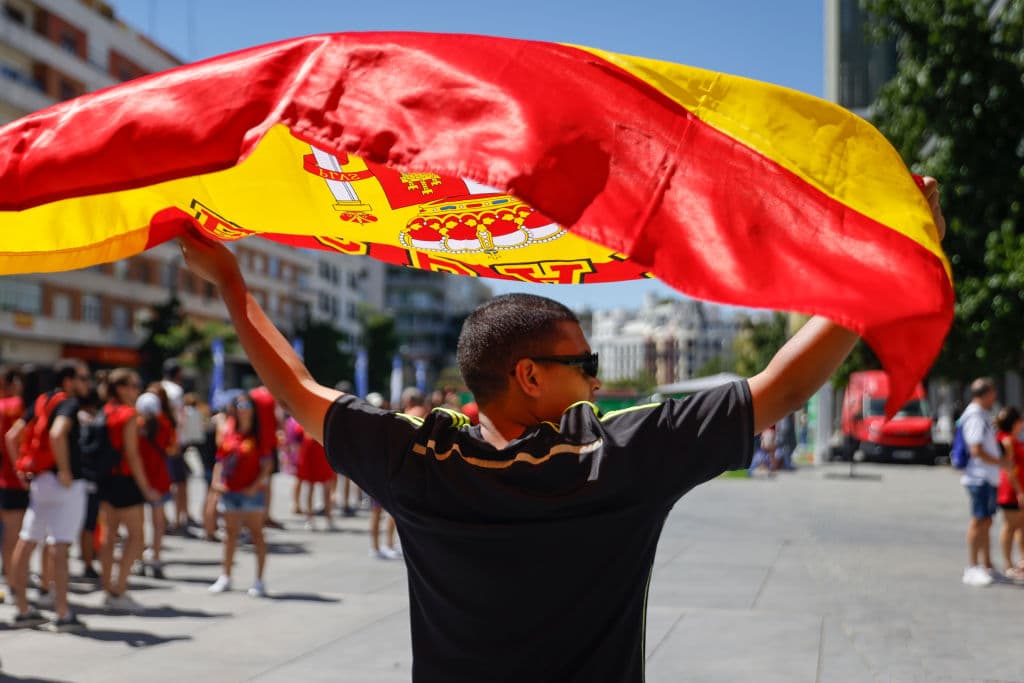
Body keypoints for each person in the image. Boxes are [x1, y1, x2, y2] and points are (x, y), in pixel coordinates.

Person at [179, 178, 945, 683]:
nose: (598, 376)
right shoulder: (619, 457)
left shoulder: (417, 458)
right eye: (582, 361)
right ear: (530, 377)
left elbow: (297, 388)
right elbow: (783, 383)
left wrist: (232, 283)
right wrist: (875, 265)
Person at [8, 360, 91, 632]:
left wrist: (20, 468)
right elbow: (57, 434)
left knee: (27, 541)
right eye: (82, 377)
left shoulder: (42, 401)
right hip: (63, 483)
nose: (86, 383)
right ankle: (63, 612)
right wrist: (65, 470)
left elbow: (12, 437)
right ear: (68, 380)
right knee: (60, 546)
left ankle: (22, 608)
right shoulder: (67, 403)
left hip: (39, 479)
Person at [98, 368, 159, 612]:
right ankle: (119, 588)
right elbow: (132, 455)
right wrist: (146, 489)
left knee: (108, 537)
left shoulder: (105, 411)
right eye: (133, 386)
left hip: (105, 481)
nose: (137, 390)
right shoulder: (128, 414)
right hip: (124, 481)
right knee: (137, 538)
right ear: (121, 388)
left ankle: (107, 589)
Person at [208, 393, 271, 597]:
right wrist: (215, 483)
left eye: (246, 405)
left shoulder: (259, 435)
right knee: (230, 534)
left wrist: (255, 485)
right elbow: (220, 458)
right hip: (230, 491)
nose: (243, 409)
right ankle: (225, 576)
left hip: (251, 493)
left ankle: (259, 580)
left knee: (256, 534)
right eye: (239, 405)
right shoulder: (229, 430)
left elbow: (267, 464)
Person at [958, 377, 1007, 587]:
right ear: (986, 394)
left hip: (986, 477)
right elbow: (976, 449)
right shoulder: (975, 416)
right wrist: (1000, 461)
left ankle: (986, 564)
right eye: (993, 394)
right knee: (978, 521)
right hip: (979, 477)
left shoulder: (981, 415)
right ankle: (972, 566)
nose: (994, 398)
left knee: (986, 521)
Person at [135, 385, 176, 579]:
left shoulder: (135, 424)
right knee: (158, 523)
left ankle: (139, 558)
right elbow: (173, 448)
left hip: (138, 479)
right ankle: (157, 558)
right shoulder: (165, 423)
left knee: (139, 523)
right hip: (159, 478)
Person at [0, 366, 27, 593]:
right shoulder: (17, 407)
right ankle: (13, 582)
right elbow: (13, 439)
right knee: (14, 535)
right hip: (12, 480)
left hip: (6, 479)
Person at [994, 406, 1024, 581]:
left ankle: (1020, 561)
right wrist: (1020, 492)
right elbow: (1009, 469)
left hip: (1017, 487)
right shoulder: (1007, 441)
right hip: (1011, 489)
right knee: (1010, 526)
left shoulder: (1011, 439)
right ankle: (1007, 564)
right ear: (1015, 422)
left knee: (1020, 526)